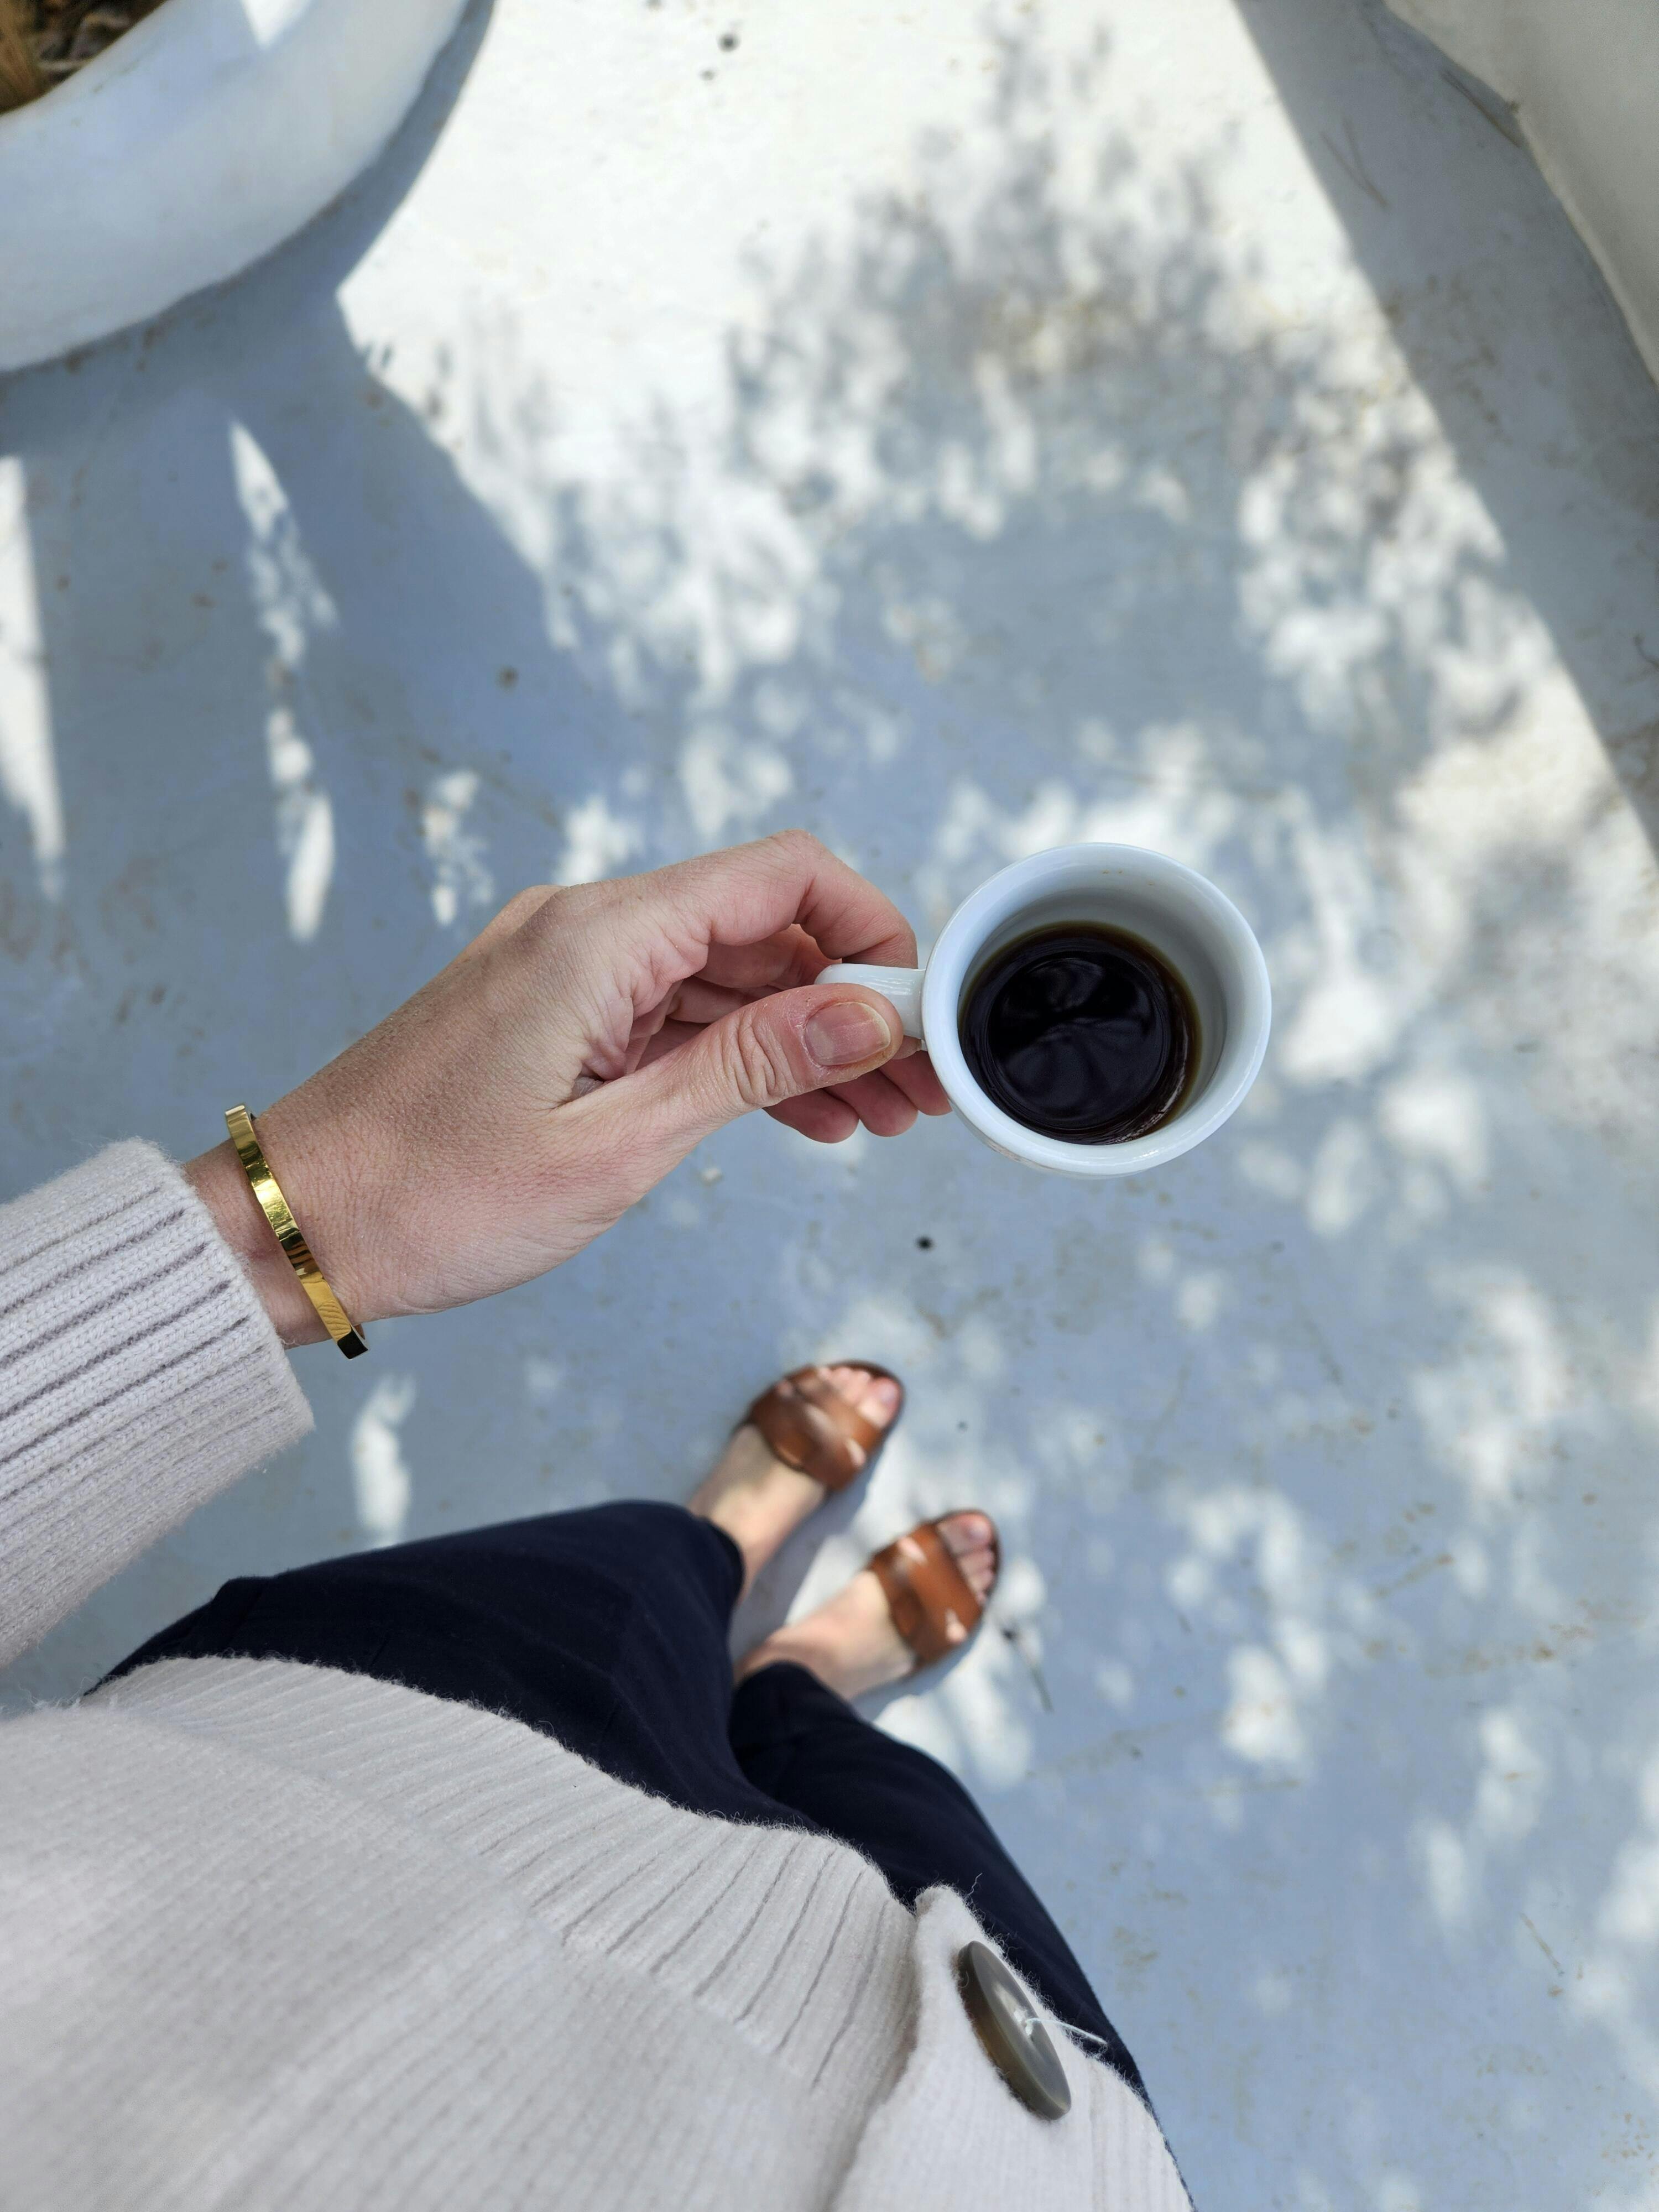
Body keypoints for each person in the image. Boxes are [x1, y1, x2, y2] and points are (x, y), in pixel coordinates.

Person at [0, 831, 1191, 2210]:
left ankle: (722, 1548)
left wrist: (305, 1215)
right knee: (862, 1775)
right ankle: (803, 1681)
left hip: (370, 1738)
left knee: (630, 1584)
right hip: (1023, 2091)